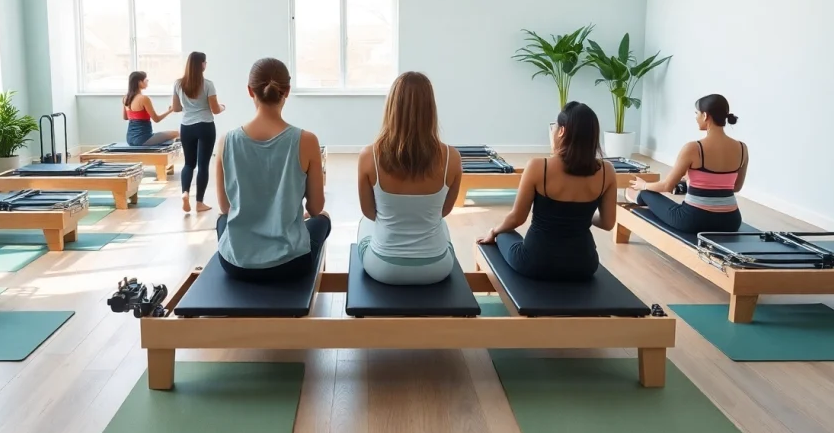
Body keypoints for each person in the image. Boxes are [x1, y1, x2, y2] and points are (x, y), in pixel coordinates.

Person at [213, 57, 330, 281]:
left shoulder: (226, 141)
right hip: (289, 264)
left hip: (236, 264)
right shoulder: (307, 140)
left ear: (250, 91)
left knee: (221, 220)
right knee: (323, 219)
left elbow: (226, 208)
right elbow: (315, 208)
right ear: (287, 90)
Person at [477, 102, 617, 281]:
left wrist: (493, 231)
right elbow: (607, 223)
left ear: (562, 131)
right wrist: (577, 216)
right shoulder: (607, 171)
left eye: (555, 127)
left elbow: (517, 218)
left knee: (503, 233)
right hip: (584, 264)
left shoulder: (538, 166)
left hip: (535, 262)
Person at [356, 72, 462, 286]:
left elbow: (369, 213)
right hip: (436, 268)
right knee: (442, 227)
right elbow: (444, 211)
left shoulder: (369, 156)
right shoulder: (452, 157)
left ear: (391, 107)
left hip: (383, 268)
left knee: (364, 226)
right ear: (430, 109)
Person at [626, 94, 747, 233]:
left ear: (705, 116)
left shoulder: (694, 148)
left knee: (647, 193)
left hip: (694, 221)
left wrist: (644, 185)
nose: (696, 118)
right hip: (731, 221)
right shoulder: (742, 148)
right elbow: (736, 187)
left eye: (697, 113)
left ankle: (638, 197)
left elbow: (666, 186)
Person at [172, 52, 225, 214]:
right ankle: (199, 203)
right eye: (205, 62)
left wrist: (188, 107)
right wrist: (223, 107)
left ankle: (185, 192)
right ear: (202, 64)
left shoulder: (178, 84)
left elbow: (176, 108)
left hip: (186, 126)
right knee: (203, 165)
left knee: (188, 163)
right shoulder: (208, 84)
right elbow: (215, 110)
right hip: (205, 126)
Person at [123, 71, 179, 147]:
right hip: (144, 139)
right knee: (177, 133)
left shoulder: (125, 98)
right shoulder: (144, 99)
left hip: (130, 139)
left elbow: (125, 117)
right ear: (140, 82)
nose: (147, 81)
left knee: (169, 140)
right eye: (146, 79)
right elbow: (157, 119)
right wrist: (170, 111)